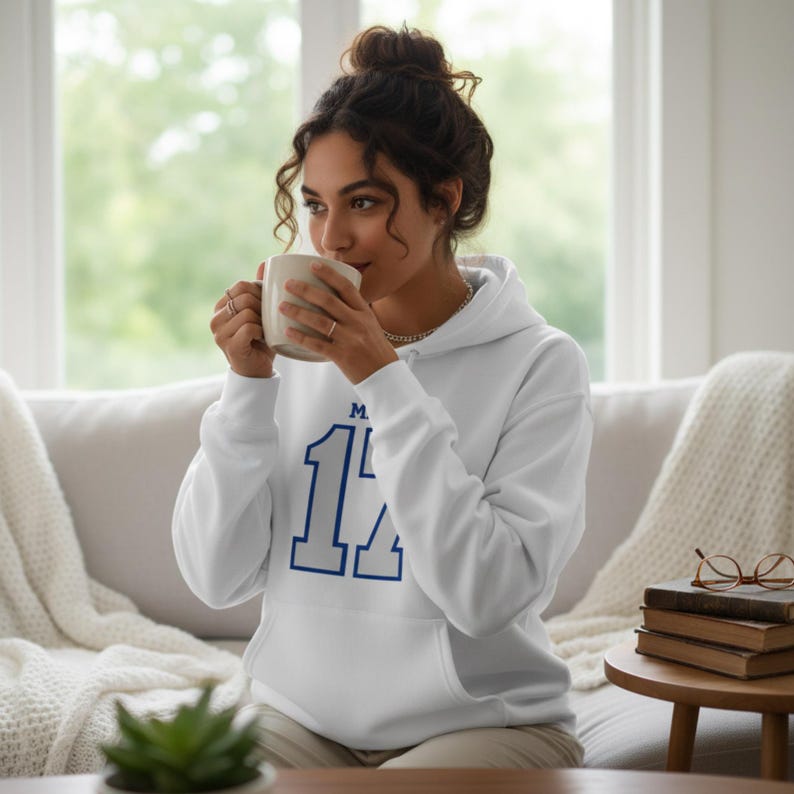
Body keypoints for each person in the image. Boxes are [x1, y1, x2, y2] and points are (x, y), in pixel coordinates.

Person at [172, 24, 593, 770]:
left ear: (443, 201)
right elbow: (215, 577)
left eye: (363, 203)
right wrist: (246, 389)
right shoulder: (295, 350)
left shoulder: (541, 363)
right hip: (296, 719)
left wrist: (381, 379)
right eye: (315, 204)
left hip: (483, 724)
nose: (331, 239)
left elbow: (487, 595)